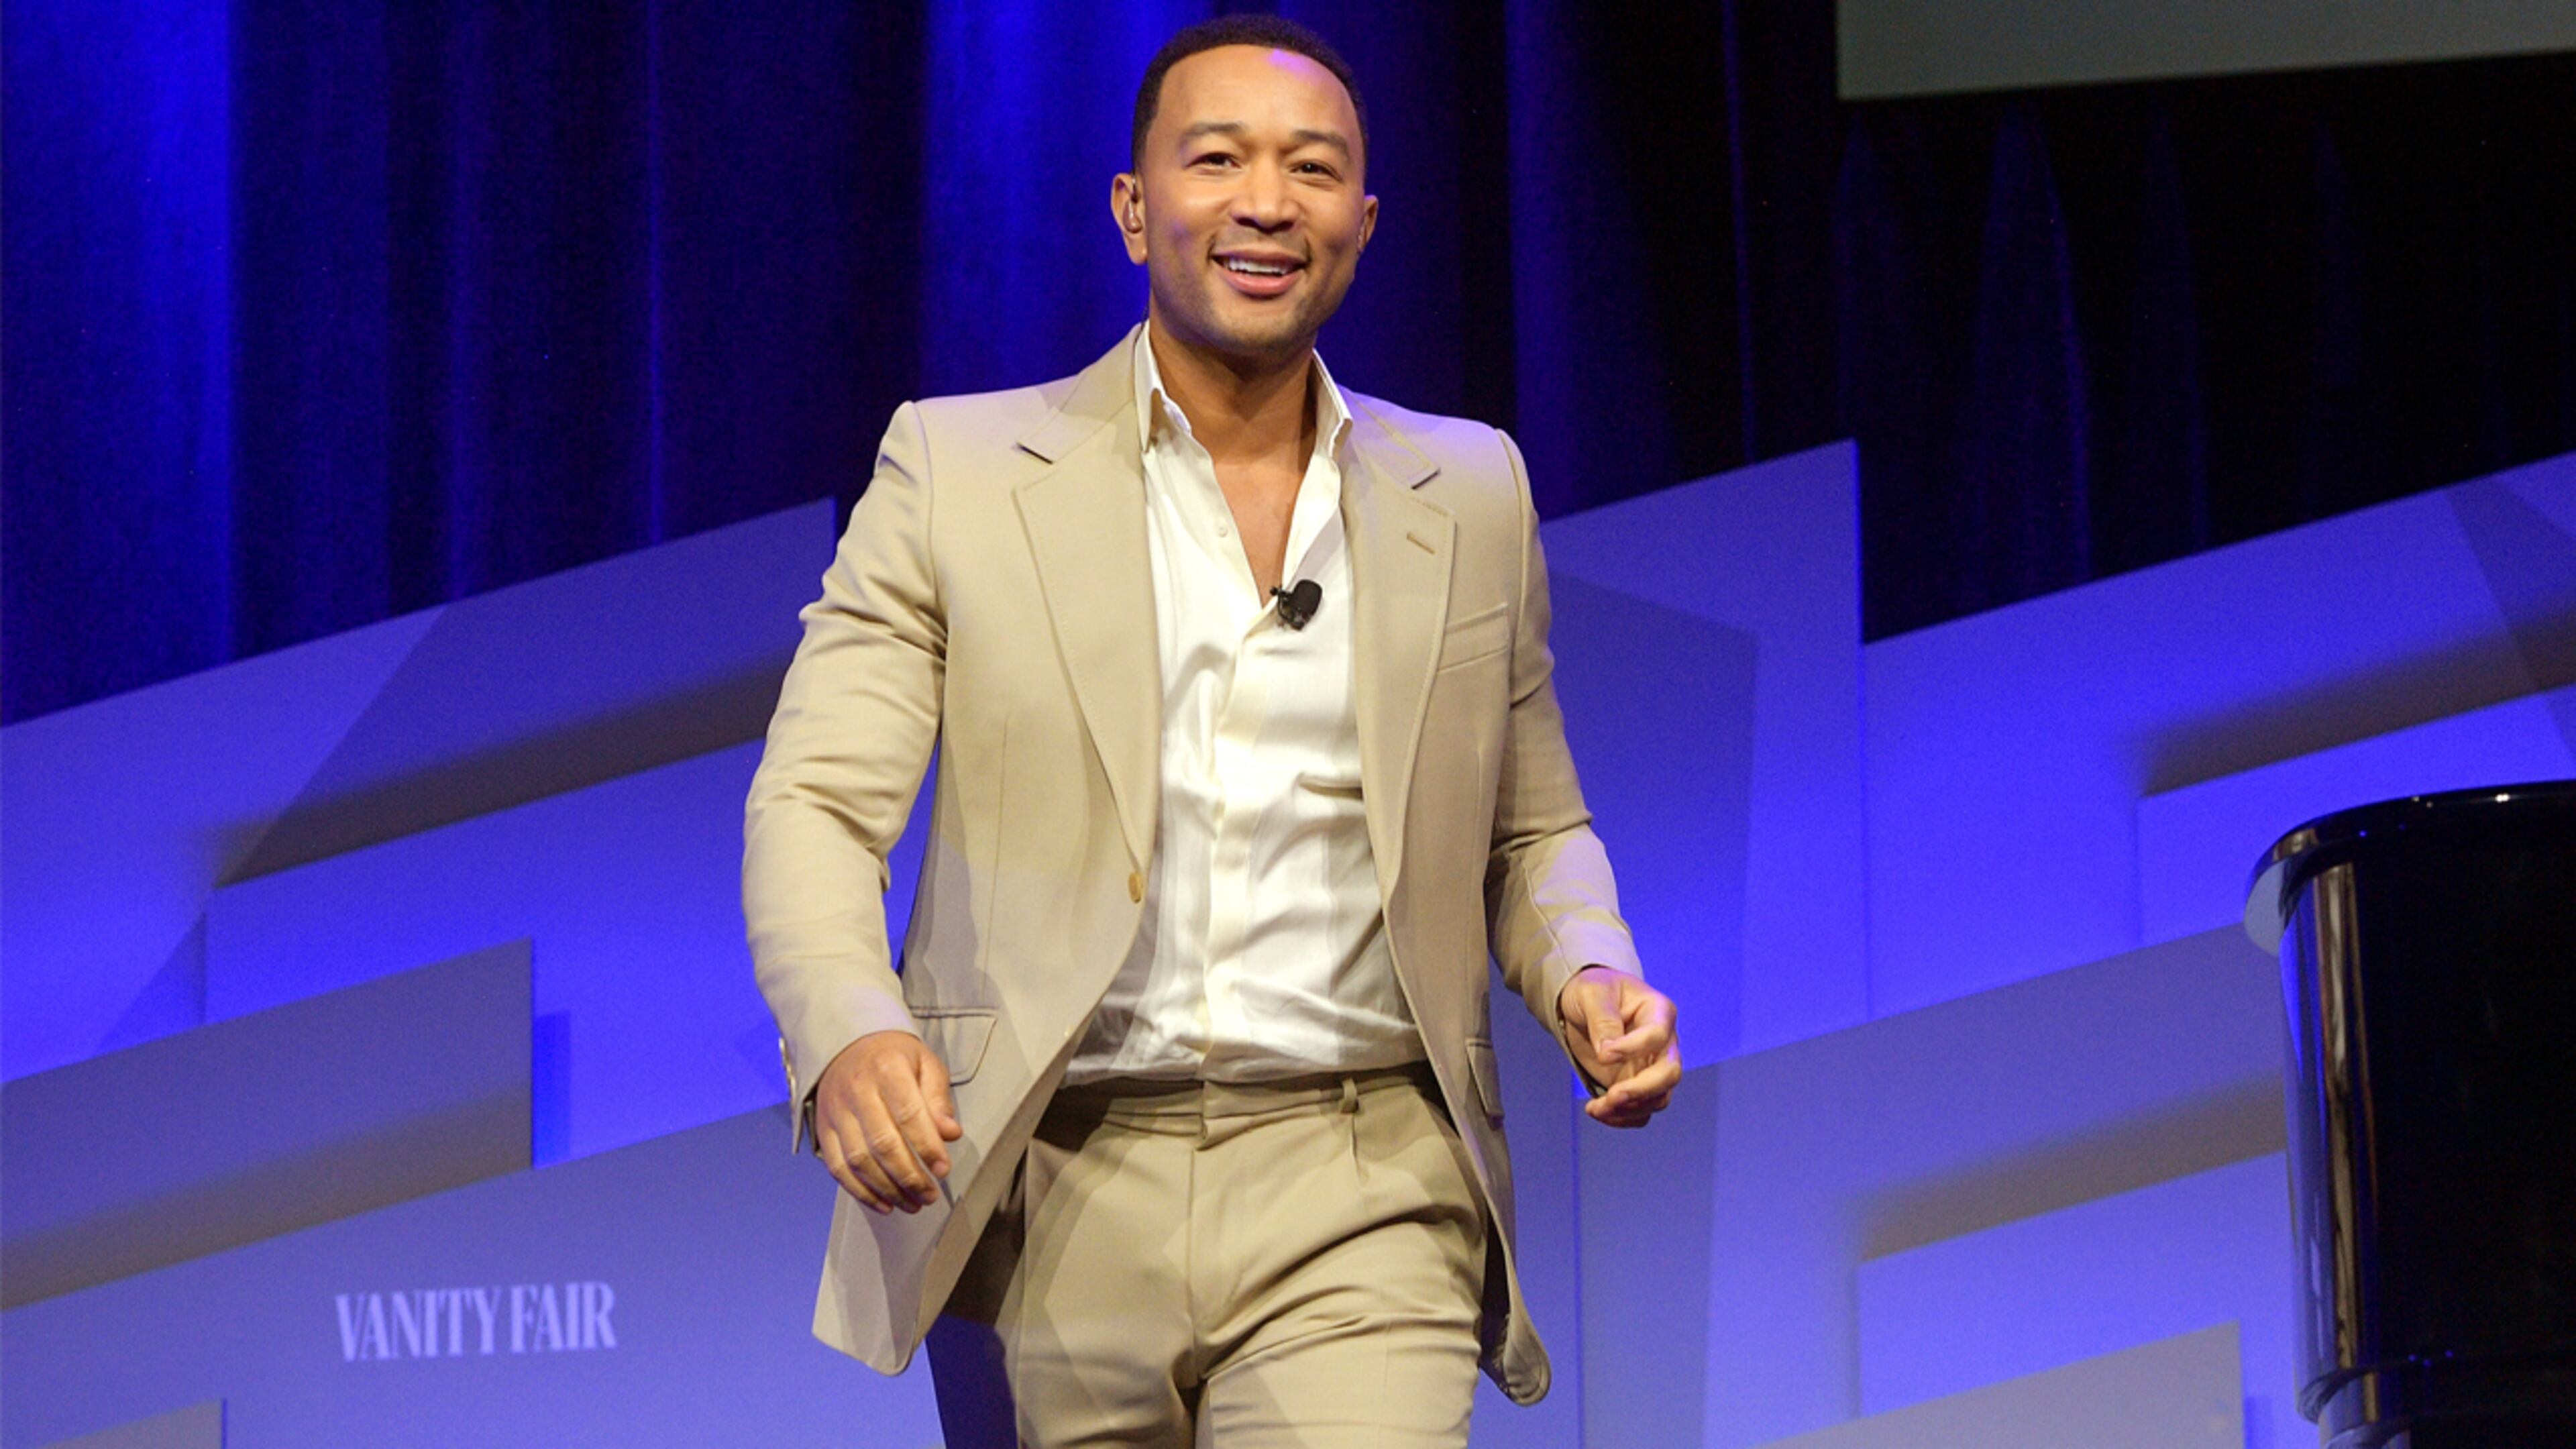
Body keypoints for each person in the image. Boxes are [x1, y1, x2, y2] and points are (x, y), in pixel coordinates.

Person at [742, 15, 1681, 1447]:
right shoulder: (960, 471)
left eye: (1312, 171)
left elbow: (1532, 828)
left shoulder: (1469, 488)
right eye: (1218, 159)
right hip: (1041, 1181)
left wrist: (1590, 975)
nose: (1265, 202)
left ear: (1360, 224)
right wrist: (853, 1035)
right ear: (1133, 209)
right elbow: (816, 802)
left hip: (1366, 1179)